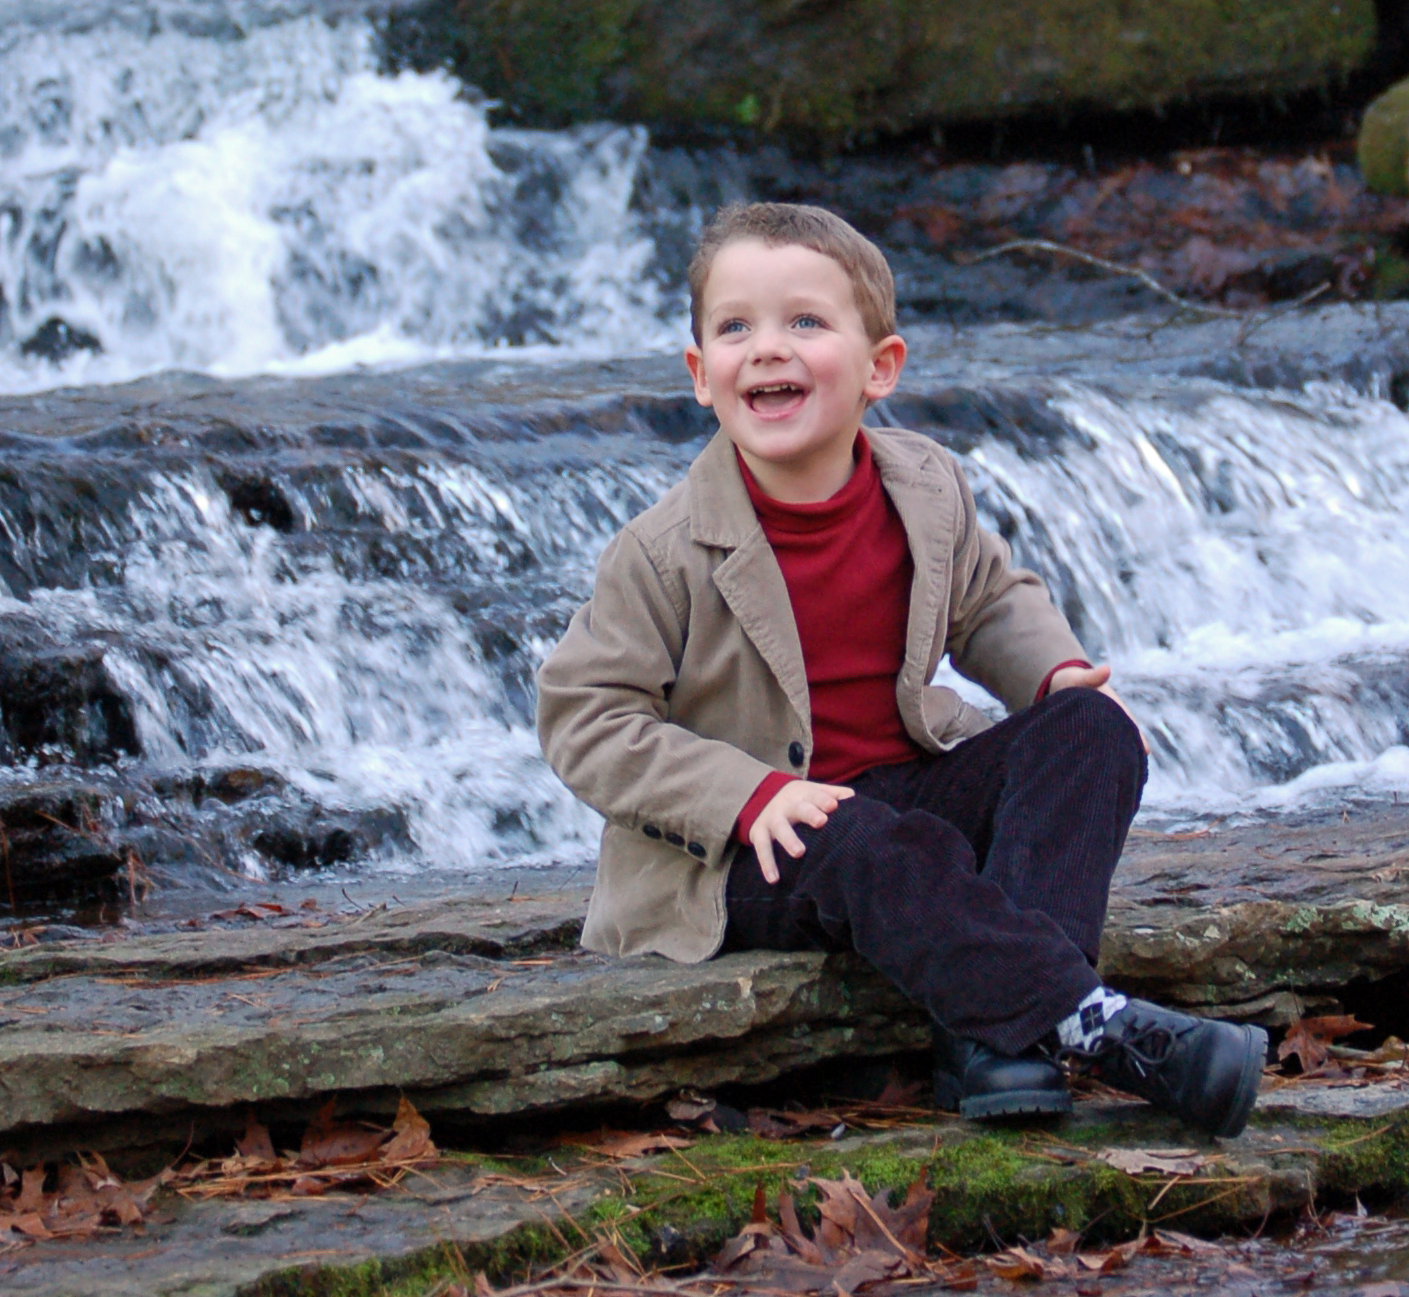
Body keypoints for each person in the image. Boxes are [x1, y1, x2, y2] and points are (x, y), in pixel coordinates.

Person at [535, 201, 1265, 1135]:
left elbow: (988, 599)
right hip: (752, 849)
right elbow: (586, 717)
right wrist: (747, 795)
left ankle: (994, 1047)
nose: (767, 348)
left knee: (1093, 732)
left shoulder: (923, 485)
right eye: (735, 328)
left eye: (805, 321)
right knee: (866, 838)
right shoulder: (662, 551)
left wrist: (1053, 676)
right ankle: (1089, 1027)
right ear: (700, 375)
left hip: (905, 795)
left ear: (881, 368)